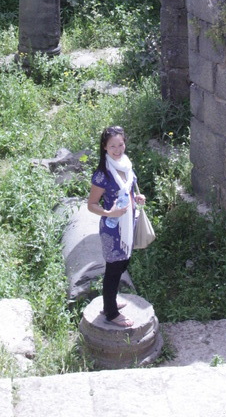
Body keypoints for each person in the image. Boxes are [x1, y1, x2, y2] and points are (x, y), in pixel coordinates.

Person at [87, 125, 146, 328]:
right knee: (114, 268)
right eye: (113, 146)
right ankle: (111, 313)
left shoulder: (126, 165)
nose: (117, 150)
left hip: (128, 223)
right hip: (113, 229)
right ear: (104, 147)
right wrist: (109, 213)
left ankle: (108, 300)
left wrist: (137, 198)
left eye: (120, 145)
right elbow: (91, 205)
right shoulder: (102, 175)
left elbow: (129, 192)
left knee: (123, 263)